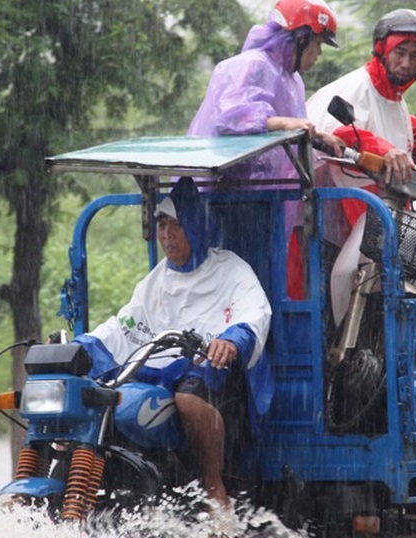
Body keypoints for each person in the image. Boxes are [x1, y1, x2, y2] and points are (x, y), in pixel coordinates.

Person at [75, 177, 272, 512]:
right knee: (95, 397)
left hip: (212, 372)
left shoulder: (230, 269)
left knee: (188, 399)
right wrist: (83, 346)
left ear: (196, 226)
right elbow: (125, 326)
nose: (167, 235)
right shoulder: (157, 279)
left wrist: (231, 341)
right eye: (162, 224)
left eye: (177, 225)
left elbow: (254, 313)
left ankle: (214, 485)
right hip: (155, 369)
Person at [307, 8, 416, 187]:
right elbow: (340, 134)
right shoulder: (359, 87)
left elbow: (384, 124)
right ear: (382, 50)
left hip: (372, 198)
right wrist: (386, 150)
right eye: (400, 52)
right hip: (334, 201)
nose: (406, 63)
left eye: (415, 55)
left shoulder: (391, 93)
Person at [188, 0, 346, 179]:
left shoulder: (292, 80)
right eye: (318, 44)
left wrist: (317, 136)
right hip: (222, 188)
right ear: (302, 38)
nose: (319, 53)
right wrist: (285, 123)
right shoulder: (253, 64)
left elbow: (283, 130)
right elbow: (231, 118)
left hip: (261, 190)